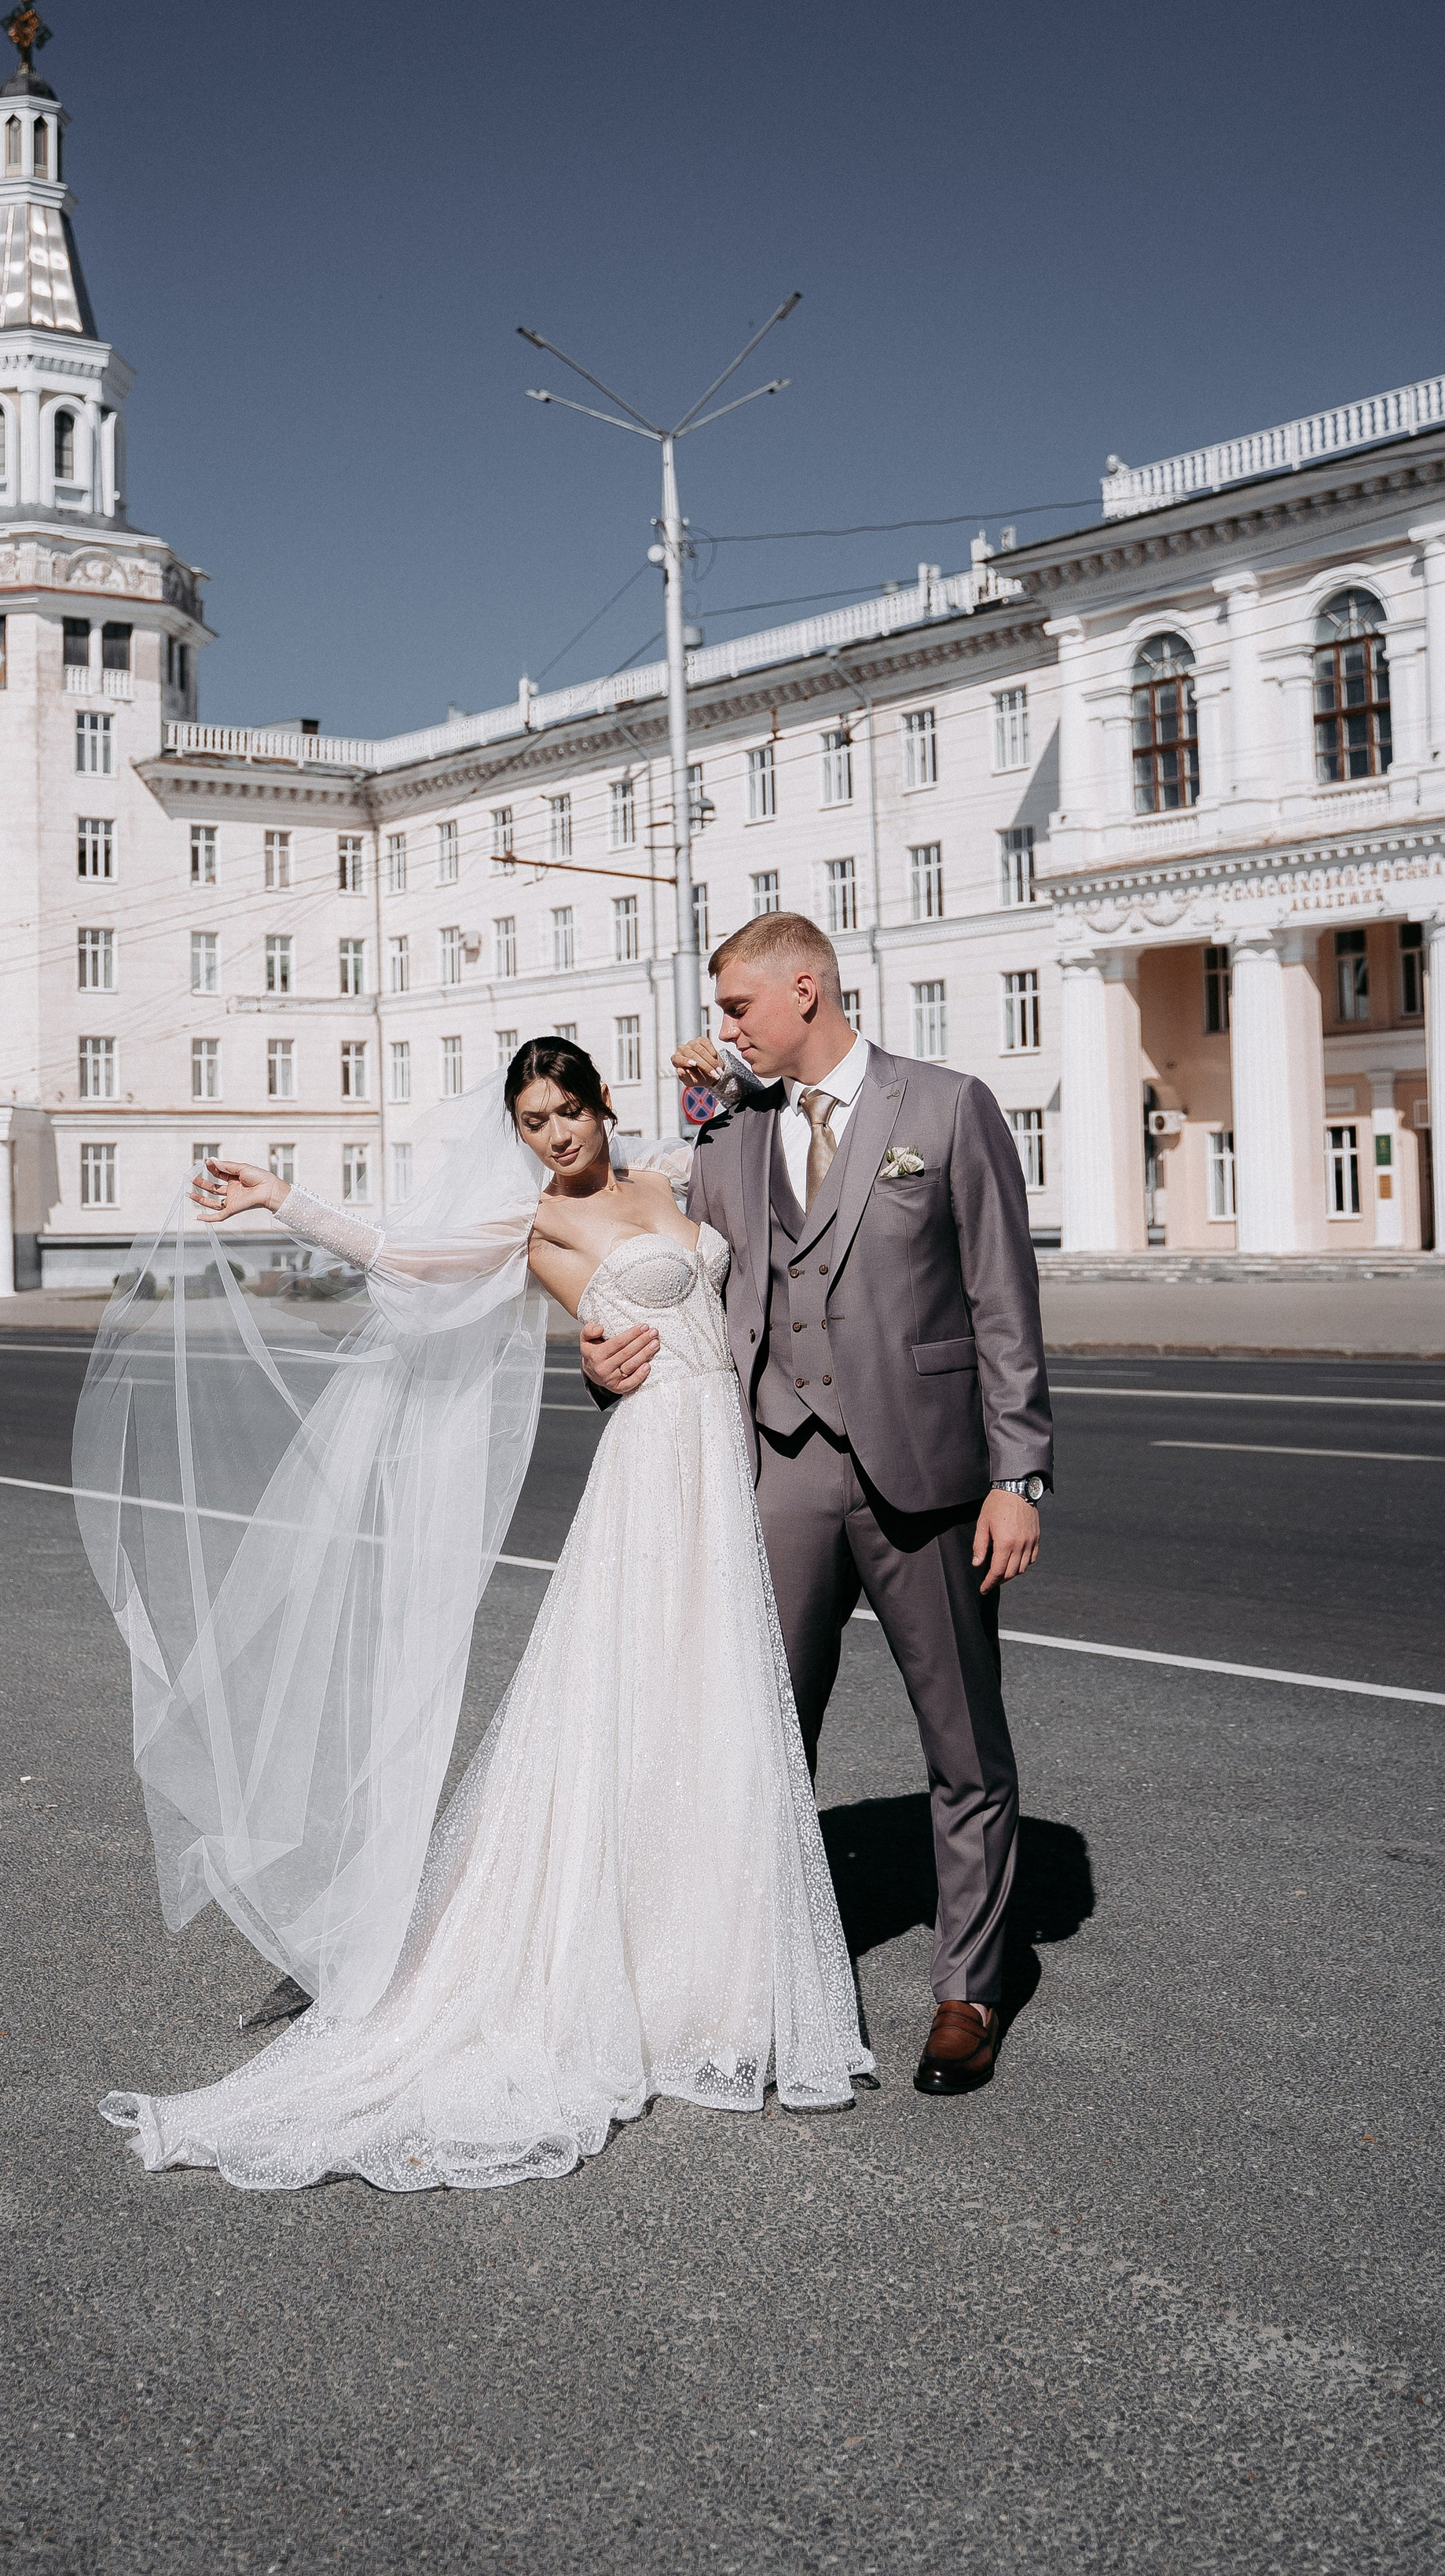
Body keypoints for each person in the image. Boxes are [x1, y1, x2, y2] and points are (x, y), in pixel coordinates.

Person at [83, 1037, 872, 2193]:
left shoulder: (671, 1172)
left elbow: (756, 1156)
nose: (555, 1136)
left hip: (725, 1459)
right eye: (533, 1122)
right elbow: (408, 1259)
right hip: (655, 1472)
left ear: (604, 1104)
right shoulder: (537, 1225)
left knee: (714, 1710)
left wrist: (732, 1078)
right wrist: (281, 1199)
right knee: (630, 1704)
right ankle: (595, 1973)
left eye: (568, 1111)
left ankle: (709, 1978)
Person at [584, 910, 1051, 2097]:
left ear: (807, 989)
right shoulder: (732, 1132)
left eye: (737, 1005)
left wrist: (1018, 1476)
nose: (722, 1026)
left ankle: (969, 1988)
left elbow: (1004, 1302)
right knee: (759, 1736)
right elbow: (655, 1255)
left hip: (930, 1478)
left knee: (962, 1741)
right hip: (779, 1466)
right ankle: (747, 1983)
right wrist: (605, 1355)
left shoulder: (947, 1106)